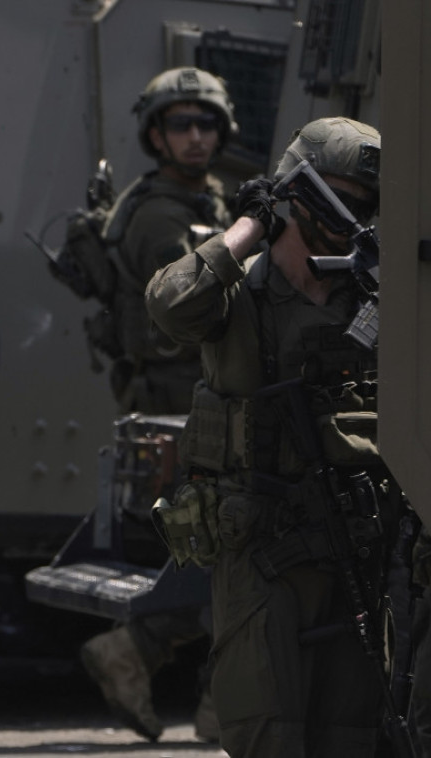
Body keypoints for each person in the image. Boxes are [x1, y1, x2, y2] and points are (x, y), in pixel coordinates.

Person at [145, 116, 390, 756]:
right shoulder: (238, 289)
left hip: (356, 541)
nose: (350, 219)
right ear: (296, 193)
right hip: (260, 542)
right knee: (266, 729)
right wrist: (251, 224)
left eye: (364, 206)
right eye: (336, 200)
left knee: (352, 732)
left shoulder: (370, 297)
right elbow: (170, 306)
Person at [70, 66, 236, 742]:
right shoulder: (163, 216)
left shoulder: (202, 201)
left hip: (200, 401)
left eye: (207, 123)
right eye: (181, 124)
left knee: (217, 551)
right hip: (184, 405)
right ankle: (223, 700)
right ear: (156, 135)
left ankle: (139, 655)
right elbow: (199, 309)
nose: (196, 136)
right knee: (233, 547)